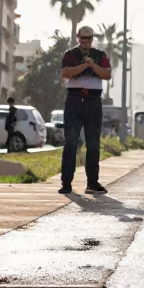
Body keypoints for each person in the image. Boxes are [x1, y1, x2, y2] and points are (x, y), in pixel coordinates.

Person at [59, 26, 112, 195]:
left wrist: (92, 64)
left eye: (88, 38)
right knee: (71, 142)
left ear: (92, 39)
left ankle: (92, 182)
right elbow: (66, 73)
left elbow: (106, 74)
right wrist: (84, 66)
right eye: (83, 38)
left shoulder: (100, 55)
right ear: (78, 37)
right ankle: (66, 182)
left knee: (93, 143)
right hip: (74, 100)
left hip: (93, 101)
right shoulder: (70, 54)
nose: (85, 41)